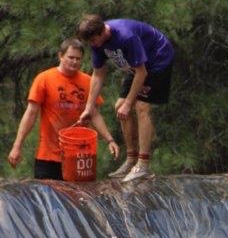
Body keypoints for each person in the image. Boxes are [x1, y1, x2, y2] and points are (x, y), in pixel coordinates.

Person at [77, 15, 174, 182]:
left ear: (102, 32)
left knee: (141, 106)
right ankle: (131, 159)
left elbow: (142, 72)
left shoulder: (125, 36)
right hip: (136, 66)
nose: (93, 45)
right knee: (119, 106)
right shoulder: (97, 42)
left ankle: (143, 164)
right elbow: (98, 74)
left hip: (158, 59)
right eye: (90, 42)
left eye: (94, 41)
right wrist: (89, 107)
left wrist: (130, 103)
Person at [8, 38, 119, 180]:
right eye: (70, 57)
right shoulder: (44, 79)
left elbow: (95, 114)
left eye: (78, 59)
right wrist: (17, 146)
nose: (74, 62)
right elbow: (30, 114)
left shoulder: (88, 81)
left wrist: (110, 140)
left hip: (78, 157)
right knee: (47, 200)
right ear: (60, 56)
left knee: (78, 199)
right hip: (48, 157)